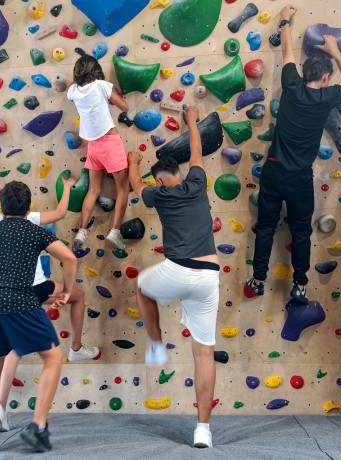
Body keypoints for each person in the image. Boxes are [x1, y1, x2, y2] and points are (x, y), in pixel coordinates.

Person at [246, 5, 341, 304]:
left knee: (266, 227)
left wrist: (285, 20)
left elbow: (288, 53)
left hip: (272, 169)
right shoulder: (326, 97)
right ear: (324, 78)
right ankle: (300, 285)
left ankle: (258, 280)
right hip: (298, 178)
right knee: (300, 232)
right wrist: (335, 50)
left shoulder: (292, 85)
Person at [0, 180, 77, 457]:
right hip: (20, 301)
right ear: (29, 207)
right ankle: (38, 426)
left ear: (2, 207)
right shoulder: (34, 231)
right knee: (53, 357)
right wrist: (68, 290)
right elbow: (69, 259)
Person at [0, 161, 99, 433]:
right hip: (33, 287)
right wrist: (68, 187)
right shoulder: (30, 220)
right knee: (77, 296)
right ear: (26, 206)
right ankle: (77, 348)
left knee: (9, 350)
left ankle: (0, 406)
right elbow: (60, 212)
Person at [128, 106, 220, 449]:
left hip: (178, 270)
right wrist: (192, 120)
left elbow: (137, 187)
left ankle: (155, 345)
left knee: (140, 285)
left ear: (160, 181)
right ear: (179, 173)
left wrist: (134, 163)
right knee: (204, 355)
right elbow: (196, 150)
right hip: (209, 276)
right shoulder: (197, 182)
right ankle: (203, 430)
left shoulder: (158, 194)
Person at [67, 54, 130, 251]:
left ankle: (82, 231)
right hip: (110, 143)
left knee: (93, 190)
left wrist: (77, 78)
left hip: (93, 146)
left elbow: (70, 85)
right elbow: (125, 107)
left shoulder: (74, 91)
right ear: (96, 71)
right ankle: (115, 231)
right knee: (122, 189)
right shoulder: (101, 85)